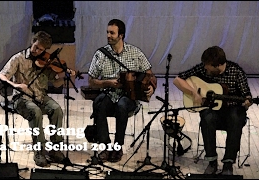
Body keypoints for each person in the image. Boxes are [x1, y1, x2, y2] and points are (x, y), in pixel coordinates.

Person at [0, 31, 75, 167]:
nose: (37, 51)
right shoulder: (18, 58)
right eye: (36, 47)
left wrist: (66, 75)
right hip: (21, 99)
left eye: (41, 49)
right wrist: (15, 84)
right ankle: (39, 152)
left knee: (57, 109)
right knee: (35, 112)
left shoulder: (45, 61)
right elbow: (2, 75)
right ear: (32, 42)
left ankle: (55, 149)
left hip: (40, 96)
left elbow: (55, 81)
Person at [173, 45, 253, 175]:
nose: (205, 67)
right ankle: (212, 161)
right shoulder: (203, 68)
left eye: (208, 65)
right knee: (207, 117)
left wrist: (247, 102)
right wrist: (194, 93)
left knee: (236, 117)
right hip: (213, 111)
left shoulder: (236, 71)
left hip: (232, 110)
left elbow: (246, 95)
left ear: (217, 65)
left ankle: (228, 163)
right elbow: (177, 80)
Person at [88, 19, 157, 163]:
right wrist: (108, 83)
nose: (108, 35)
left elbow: (150, 75)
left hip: (129, 97)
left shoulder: (135, 52)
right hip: (109, 93)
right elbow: (91, 81)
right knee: (99, 103)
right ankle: (106, 147)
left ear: (121, 35)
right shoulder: (100, 54)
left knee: (122, 105)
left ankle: (118, 147)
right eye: (107, 32)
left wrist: (151, 86)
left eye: (112, 33)